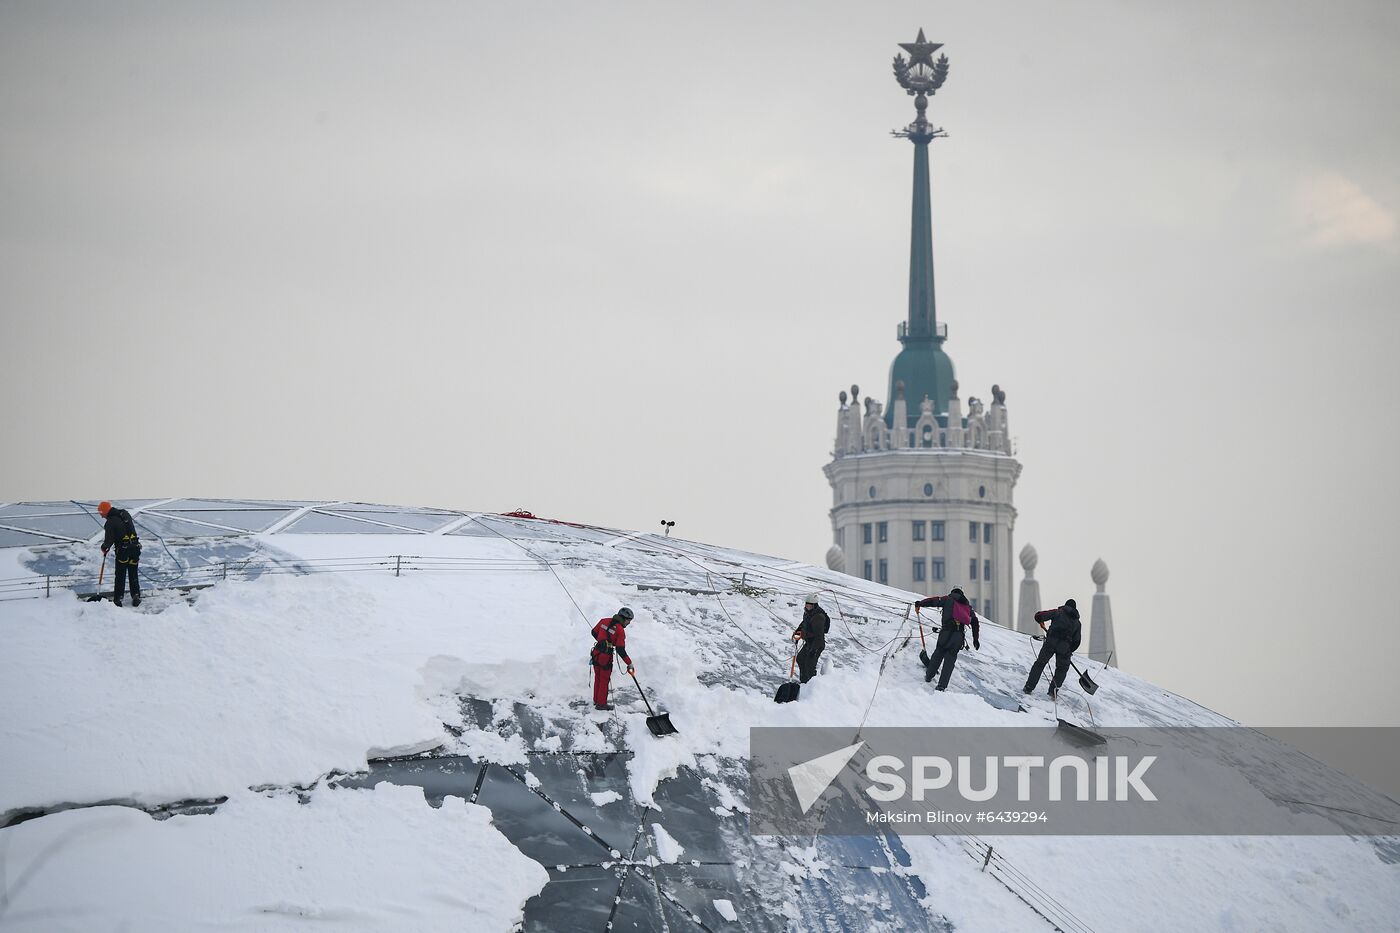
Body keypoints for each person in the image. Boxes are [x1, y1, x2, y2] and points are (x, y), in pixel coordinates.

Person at [914, 587, 980, 691]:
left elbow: (934, 601)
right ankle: (941, 686)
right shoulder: (967, 606)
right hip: (958, 637)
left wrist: (920, 603)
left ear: (952, 592)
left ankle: (929, 676)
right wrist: (975, 639)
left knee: (938, 653)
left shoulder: (948, 599)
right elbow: (975, 622)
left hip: (946, 633)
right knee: (950, 661)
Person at [1024, 598, 1082, 698]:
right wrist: (1069, 650)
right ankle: (1053, 692)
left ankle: (1029, 687)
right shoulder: (1077, 623)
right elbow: (1077, 642)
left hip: (1050, 643)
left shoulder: (1058, 612)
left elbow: (1039, 615)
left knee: (1040, 664)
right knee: (1061, 669)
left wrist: (1041, 621)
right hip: (1064, 648)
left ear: (1065, 605)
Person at [589, 607, 635, 711]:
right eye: (628, 620)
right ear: (624, 618)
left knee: (598, 678)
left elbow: (593, 632)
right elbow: (620, 650)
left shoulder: (604, 621)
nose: (628, 623)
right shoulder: (620, 630)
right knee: (604, 680)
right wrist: (629, 663)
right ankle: (601, 704)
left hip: (596, 653)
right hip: (605, 657)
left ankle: (596, 700)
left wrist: (602, 641)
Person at [98, 501, 142, 607]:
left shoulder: (110, 522)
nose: (101, 515)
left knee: (120, 575)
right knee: (133, 573)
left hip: (123, 551)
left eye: (100, 513)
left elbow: (109, 541)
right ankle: (136, 596)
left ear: (104, 511)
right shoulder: (124, 513)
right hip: (135, 548)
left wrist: (104, 548)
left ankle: (118, 599)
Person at [792, 594, 830, 683]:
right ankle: (804, 681)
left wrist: (813, 651)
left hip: (817, 644)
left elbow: (819, 636)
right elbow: (804, 623)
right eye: (807, 604)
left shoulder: (818, 617)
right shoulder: (808, 613)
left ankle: (812, 685)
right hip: (809, 642)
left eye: (810, 605)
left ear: (815, 605)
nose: (808, 606)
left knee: (809, 665)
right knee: (801, 659)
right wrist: (798, 630)